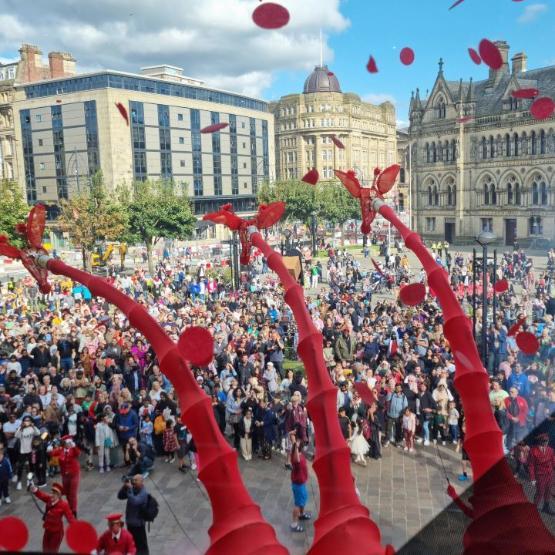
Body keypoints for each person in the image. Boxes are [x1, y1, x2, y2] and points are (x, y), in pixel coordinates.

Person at [30, 482, 75, 553]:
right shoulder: (49, 499)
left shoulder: (64, 505)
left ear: (59, 495)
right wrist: (35, 489)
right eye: (51, 493)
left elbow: (70, 518)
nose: (51, 495)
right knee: (45, 549)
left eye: (54, 494)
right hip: (47, 529)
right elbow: (42, 495)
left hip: (56, 533)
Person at [48, 434, 81, 516]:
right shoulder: (61, 450)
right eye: (67, 443)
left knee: (73, 493)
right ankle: (70, 507)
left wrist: (74, 447)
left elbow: (78, 453)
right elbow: (52, 453)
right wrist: (49, 448)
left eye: (70, 443)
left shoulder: (73, 450)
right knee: (67, 493)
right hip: (65, 476)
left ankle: (74, 511)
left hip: (74, 474)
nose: (68, 444)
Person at [117, 474, 150, 555]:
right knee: (132, 545)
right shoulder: (133, 489)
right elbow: (120, 496)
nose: (133, 482)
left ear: (142, 482)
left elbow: (135, 502)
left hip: (139, 525)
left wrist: (130, 489)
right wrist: (125, 487)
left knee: (141, 548)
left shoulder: (143, 493)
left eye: (136, 480)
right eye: (133, 480)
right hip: (131, 523)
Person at [289, 431, 311, 532]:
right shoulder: (295, 455)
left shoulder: (297, 452)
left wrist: (294, 436)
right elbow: (297, 460)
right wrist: (294, 442)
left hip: (300, 482)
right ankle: (294, 524)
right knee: (298, 504)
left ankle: (301, 515)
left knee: (302, 500)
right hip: (298, 484)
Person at [528, 433, 555, 514]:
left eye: (547, 441)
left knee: (548, 491)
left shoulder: (550, 450)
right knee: (540, 492)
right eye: (544, 441)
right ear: (540, 441)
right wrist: (532, 478)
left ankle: (546, 507)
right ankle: (533, 509)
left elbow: (553, 461)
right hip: (540, 475)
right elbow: (531, 465)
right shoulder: (533, 451)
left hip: (550, 474)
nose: (546, 442)